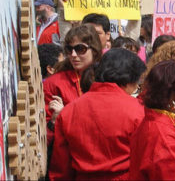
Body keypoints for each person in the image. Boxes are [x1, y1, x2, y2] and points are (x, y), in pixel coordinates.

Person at [49, 49, 146, 180]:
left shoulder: (69, 111)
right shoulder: (137, 111)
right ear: (129, 80)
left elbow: (61, 168)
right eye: (137, 84)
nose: (136, 89)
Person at [43, 24, 102, 145]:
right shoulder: (54, 83)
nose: (73, 55)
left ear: (95, 50)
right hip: (69, 154)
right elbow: (45, 135)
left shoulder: (107, 78)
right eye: (69, 50)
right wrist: (56, 120)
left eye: (80, 49)